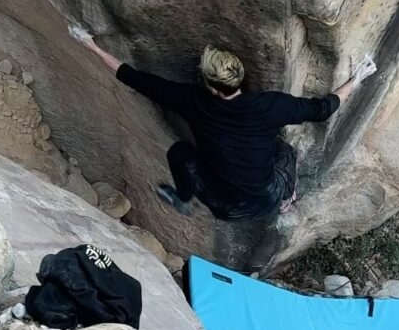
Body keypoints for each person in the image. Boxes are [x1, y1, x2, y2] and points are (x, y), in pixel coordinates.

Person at [75, 32, 377, 221]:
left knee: (179, 152)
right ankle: (288, 197)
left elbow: (135, 78)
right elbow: (322, 109)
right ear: (240, 77)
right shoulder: (269, 106)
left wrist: (92, 47)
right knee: (285, 150)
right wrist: (357, 79)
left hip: (221, 205)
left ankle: (183, 198)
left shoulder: (192, 101)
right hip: (264, 200)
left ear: (212, 87)